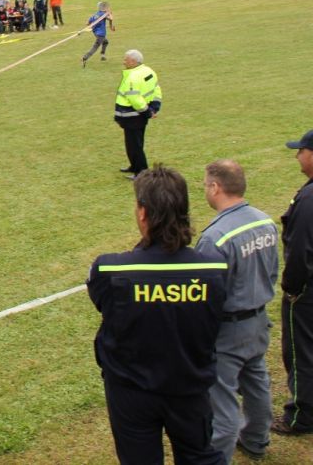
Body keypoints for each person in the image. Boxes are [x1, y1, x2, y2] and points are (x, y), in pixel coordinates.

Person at [88, 165, 228, 465]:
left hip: (132, 391)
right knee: (198, 456)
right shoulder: (213, 271)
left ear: (142, 213)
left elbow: (103, 303)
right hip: (190, 386)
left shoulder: (110, 269)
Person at [196, 160, 279, 461]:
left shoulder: (215, 238)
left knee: (221, 398)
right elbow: (272, 272)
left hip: (229, 328)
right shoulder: (265, 222)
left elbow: (205, 295)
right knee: (256, 381)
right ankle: (257, 439)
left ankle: (219, 456)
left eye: (205, 185)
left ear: (216, 187)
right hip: (258, 319)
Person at [273, 129, 313, 436]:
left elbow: (300, 250)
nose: (298, 155)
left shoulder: (309, 199)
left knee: (301, 351)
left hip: (307, 291)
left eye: (301, 150)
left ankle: (302, 416)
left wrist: (293, 288)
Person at [115, 49, 162, 179]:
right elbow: (156, 89)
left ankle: (141, 172)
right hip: (140, 115)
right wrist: (154, 108)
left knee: (134, 145)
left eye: (126, 59)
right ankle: (134, 166)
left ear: (133, 61)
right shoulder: (148, 71)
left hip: (132, 116)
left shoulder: (133, 77)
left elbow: (134, 99)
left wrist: (147, 112)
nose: (124, 62)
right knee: (134, 143)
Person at [82, 1, 116, 66]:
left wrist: (91, 26)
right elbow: (111, 18)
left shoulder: (95, 15)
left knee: (105, 42)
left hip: (96, 33)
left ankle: (102, 55)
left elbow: (88, 23)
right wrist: (110, 13)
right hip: (101, 34)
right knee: (95, 47)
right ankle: (85, 57)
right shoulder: (104, 14)